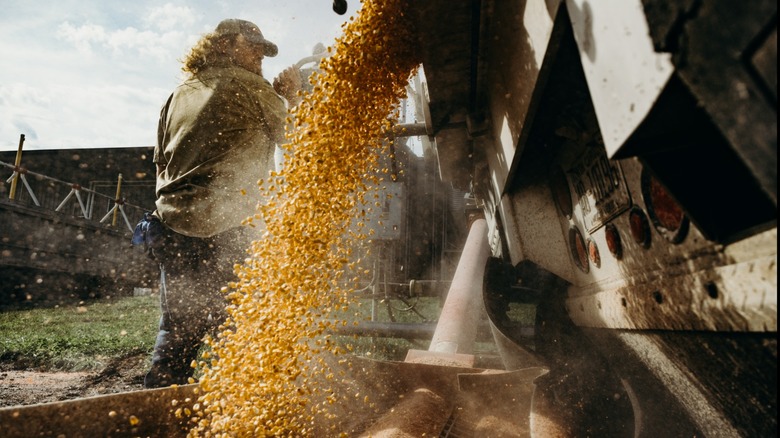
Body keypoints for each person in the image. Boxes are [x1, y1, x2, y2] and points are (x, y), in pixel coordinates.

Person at [139, 18, 302, 388]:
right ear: (226, 45)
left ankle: (159, 412)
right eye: (254, 48)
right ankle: (244, 413)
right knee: (243, 331)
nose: (261, 57)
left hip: (172, 227)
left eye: (264, 52)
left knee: (178, 330)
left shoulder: (177, 95)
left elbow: (162, 163)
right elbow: (301, 144)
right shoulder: (253, 88)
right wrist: (292, 96)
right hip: (228, 229)